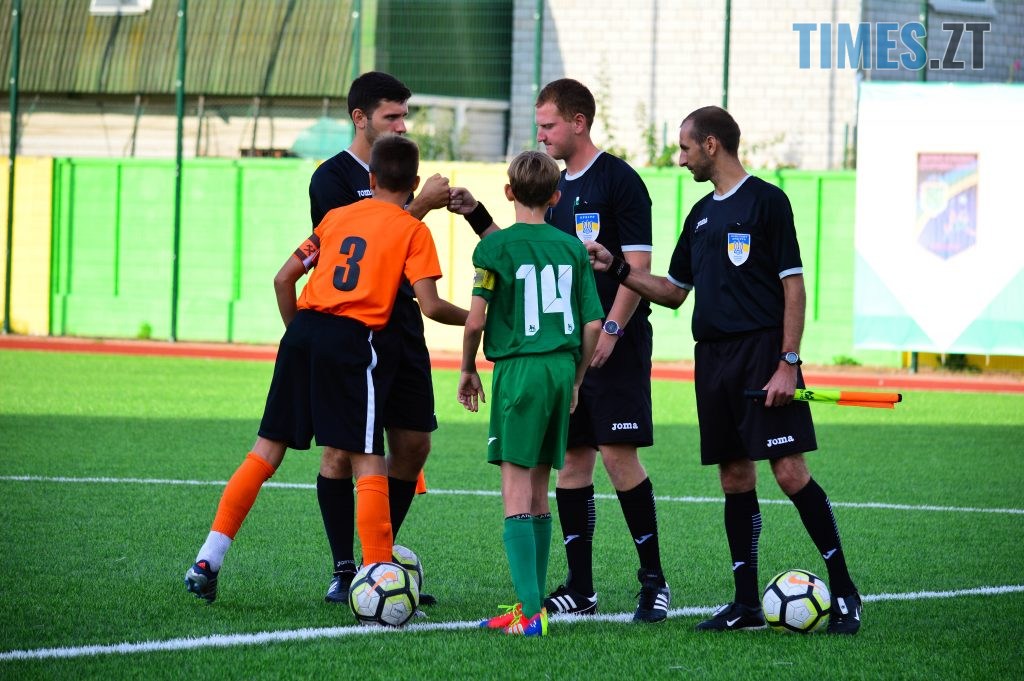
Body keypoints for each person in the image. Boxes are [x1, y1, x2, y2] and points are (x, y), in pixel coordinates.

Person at [586, 105, 863, 635]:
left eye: (685, 147)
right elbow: (673, 293)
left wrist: (788, 362)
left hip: (762, 355)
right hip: (712, 360)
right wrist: (617, 266)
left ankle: (846, 591)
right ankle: (746, 603)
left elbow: (793, 286)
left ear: (711, 144)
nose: (680, 157)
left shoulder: (767, 201)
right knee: (734, 476)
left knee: (789, 471)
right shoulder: (698, 215)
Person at [185, 135, 468, 604]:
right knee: (366, 456)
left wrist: (299, 337)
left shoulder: (336, 217)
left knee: (264, 452)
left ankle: (208, 558)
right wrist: (479, 318)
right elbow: (432, 305)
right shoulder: (413, 230)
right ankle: (376, 577)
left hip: (302, 335)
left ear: (370, 178)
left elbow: (283, 278)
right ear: (416, 183)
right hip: (352, 340)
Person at [449, 78, 670, 623]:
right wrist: (477, 214)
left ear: (578, 121)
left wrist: (611, 332)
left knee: (618, 458)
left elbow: (637, 268)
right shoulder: (553, 185)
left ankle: (653, 581)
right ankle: (580, 586)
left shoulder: (619, 180)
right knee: (572, 462)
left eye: (548, 125)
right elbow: (521, 251)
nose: (541, 135)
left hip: (609, 345)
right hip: (565, 352)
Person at [308, 72, 453, 606]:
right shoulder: (331, 179)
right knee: (341, 452)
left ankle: (380, 563)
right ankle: (346, 568)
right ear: (360, 118)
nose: (402, 125)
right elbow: (364, 247)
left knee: (413, 445)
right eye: (392, 116)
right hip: (354, 331)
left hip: (404, 327)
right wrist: (421, 205)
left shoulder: (397, 168)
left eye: (404, 116)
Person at [458, 150, 603, 636]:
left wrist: (467, 368)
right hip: (561, 369)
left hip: (519, 370)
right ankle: (530, 605)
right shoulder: (573, 248)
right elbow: (593, 324)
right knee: (539, 490)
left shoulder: (493, 249)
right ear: (556, 197)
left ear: (508, 192)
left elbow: (475, 321)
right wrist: (576, 379)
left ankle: (532, 616)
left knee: (516, 490)